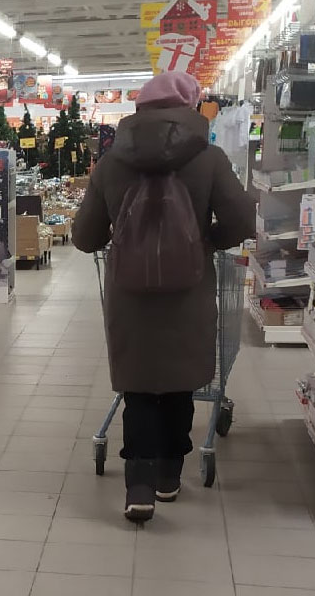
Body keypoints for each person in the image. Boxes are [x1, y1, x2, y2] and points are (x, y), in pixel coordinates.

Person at [72, 71, 254, 523]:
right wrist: (204, 240)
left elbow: (84, 236)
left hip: (129, 293)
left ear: (139, 110)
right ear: (192, 107)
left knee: (138, 387)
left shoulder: (112, 163)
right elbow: (242, 221)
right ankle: (170, 475)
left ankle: (138, 484)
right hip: (188, 290)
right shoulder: (209, 158)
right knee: (178, 383)